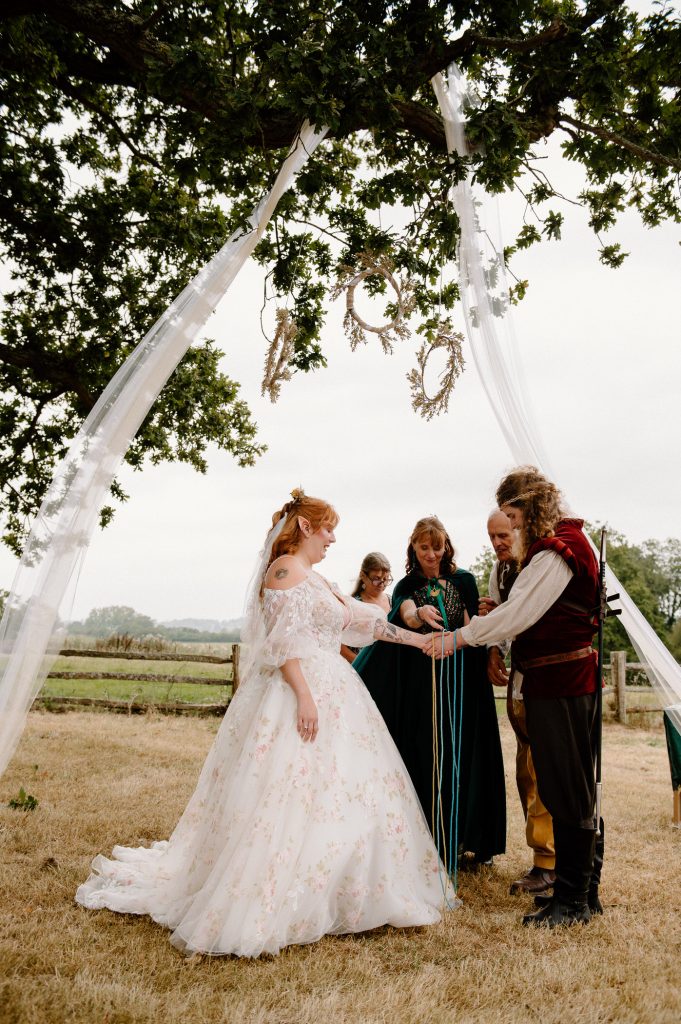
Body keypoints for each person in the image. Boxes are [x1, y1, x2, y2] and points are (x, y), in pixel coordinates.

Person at [76, 490, 456, 957]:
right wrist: (304, 697)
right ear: (305, 528)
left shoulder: (317, 580)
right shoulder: (283, 573)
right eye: (328, 528)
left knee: (345, 791)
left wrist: (419, 642)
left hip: (337, 691)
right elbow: (282, 645)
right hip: (296, 692)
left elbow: (367, 622)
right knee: (286, 791)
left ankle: (346, 887)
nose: (333, 538)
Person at [434, 468, 604, 927]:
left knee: (569, 791)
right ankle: (578, 894)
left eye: (512, 514)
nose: (510, 524)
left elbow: (518, 615)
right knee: (566, 788)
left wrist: (460, 638)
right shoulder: (551, 549)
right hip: (555, 683)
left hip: (562, 684)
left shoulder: (556, 552)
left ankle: (573, 901)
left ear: (529, 509)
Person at [355, 516, 506, 871]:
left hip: (464, 678)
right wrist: (418, 613)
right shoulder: (408, 584)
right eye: (424, 547)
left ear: (446, 547)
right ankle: (429, 838)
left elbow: (471, 625)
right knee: (428, 752)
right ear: (414, 548)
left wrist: (479, 645)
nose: (431, 554)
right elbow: (405, 613)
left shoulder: (464, 580)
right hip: (425, 683)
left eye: (436, 547)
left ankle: (464, 838)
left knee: (465, 752)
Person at [481, 510, 556, 897]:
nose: (497, 543)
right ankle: (542, 857)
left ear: (520, 528)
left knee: (544, 767)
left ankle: (549, 861)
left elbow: (529, 615)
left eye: (503, 535)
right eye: (492, 537)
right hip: (520, 677)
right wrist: (495, 649)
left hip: (550, 678)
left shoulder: (544, 564)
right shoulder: (501, 571)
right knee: (526, 768)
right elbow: (500, 613)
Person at [340, 552, 392, 663]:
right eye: (377, 579)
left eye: (386, 579)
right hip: (361, 667)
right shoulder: (352, 604)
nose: (382, 584)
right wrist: (363, 664)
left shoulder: (393, 601)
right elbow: (340, 645)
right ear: (363, 575)